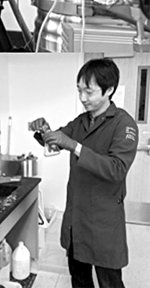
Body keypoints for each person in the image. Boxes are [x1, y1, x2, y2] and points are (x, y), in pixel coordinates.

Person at [31, 58, 138, 288]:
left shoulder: (124, 125)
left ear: (109, 90)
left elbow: (116, 169)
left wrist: (74, 146)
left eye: (89, 92)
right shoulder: (82, 121)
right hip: (76, 218)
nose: (82, 98)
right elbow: (57, 142)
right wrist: (44, 130)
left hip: (102, 221)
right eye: (79, 90)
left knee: (110, 283)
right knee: (79, 280)